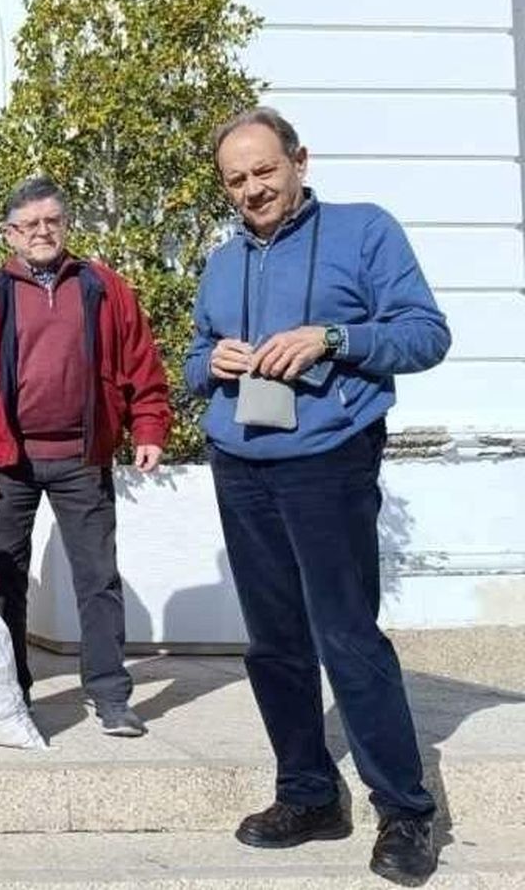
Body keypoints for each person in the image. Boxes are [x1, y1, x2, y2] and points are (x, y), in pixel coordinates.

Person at [185, 107, 449, 885]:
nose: (253, 189)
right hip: (239, 462)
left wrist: (333, 339)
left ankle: (405, 811)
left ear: (299, 160)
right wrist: (215, 362)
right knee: (273, 642)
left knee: (347, 637)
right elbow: (195, 358)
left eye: (265, 170)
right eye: (236, 180)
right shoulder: (222, 262)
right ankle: (308, 794)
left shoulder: (366, 230)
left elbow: (426, 334)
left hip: (330, 461)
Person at [0, 175, 171, 738]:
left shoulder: (103, 287)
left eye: (52, 221)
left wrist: (149, 427)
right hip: (7, 463)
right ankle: (10, 690)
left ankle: (111, 696)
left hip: (80, 457)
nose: (42, 232)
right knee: (5, 580)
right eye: (29, 224)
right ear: (9, 234)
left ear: (65, 225)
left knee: (97, 578)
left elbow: (141, 363)